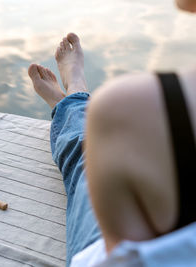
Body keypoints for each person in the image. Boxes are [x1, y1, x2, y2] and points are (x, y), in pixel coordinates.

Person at [28, 0, 196, 266]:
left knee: (87, 162)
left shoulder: (132, 104)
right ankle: (73, 97)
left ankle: (73, 97)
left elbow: (121, 256)